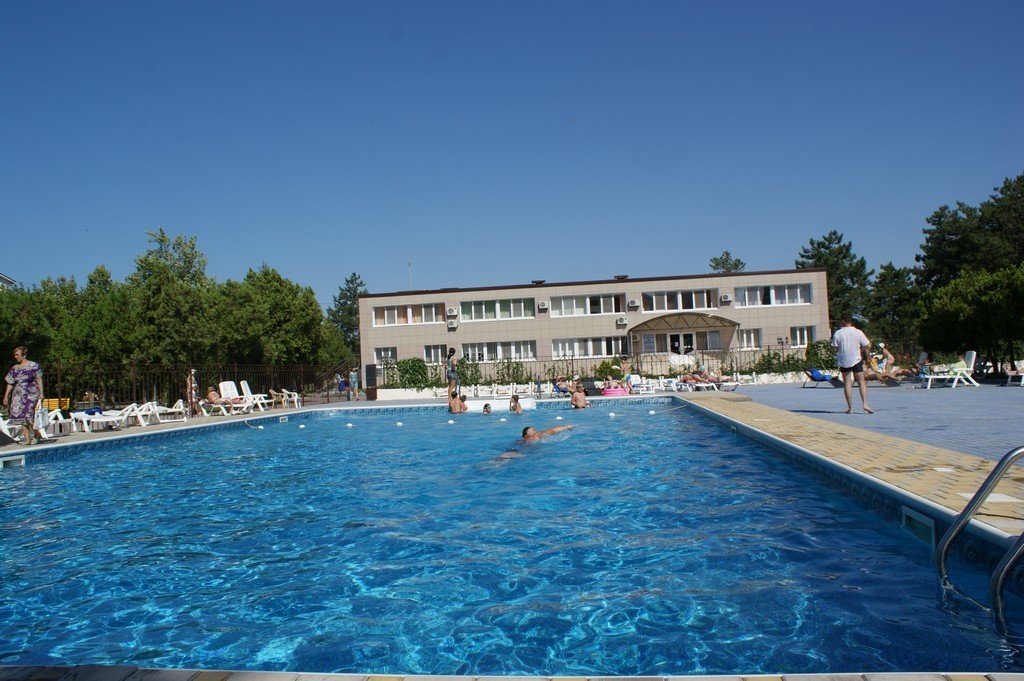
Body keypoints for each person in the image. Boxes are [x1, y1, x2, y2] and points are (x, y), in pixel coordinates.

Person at [831, 314, 874, 414]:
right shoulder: (858, 332)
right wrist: (860, 348)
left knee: (847, 383)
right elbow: (868, 345)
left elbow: (834, 348)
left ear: (843, 321)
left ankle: (850, 408)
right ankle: (865, 404)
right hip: (856, 359)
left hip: (844, 360)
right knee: (861, 382)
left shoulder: (838, 333)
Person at [3, 346, 45, 445]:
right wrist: (6, 396)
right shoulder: (15, 368)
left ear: (24, 355)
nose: (15, 356)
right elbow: (10, 383)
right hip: (18, 395)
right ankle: (27, 440)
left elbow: (39, 379)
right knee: (21, 417)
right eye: (15, 355)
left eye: (17, 354)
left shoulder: (33, 365)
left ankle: (37, 434)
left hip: (32, 393)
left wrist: (42, 393)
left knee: (28, 414)